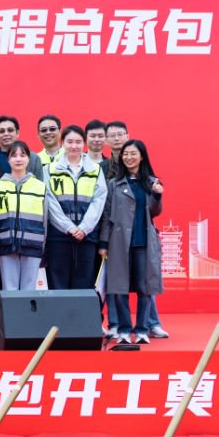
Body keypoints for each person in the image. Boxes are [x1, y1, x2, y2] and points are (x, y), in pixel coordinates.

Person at [101, 139, 165, 345]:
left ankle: (143, 329)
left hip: (144, 243)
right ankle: (124, 329)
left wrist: (157, 196)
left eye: (133, 154)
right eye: (125, 154)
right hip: (119, 243)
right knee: (119, 289)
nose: (129, 157)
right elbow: (106, 215)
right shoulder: (114, 184)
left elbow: (155, 212)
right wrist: (103, 243)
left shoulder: (151, 182)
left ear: (142, 156)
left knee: (145, 288)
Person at [45, 125, 109, 291]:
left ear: (84, 143)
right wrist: (68, 227)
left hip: (86, 238)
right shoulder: (50, 170)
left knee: (84, 286)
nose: (74, 146)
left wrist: (84, 228)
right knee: (58, 285)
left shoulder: (95, 170)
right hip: (58, 237)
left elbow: (99, 201)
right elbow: (50, 201)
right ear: (62, 143)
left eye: (78, 142)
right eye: (70, 141)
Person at [0, 141, 48, 292]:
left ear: (29, 159)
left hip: (33, 245)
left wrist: (42, 246)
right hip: (6, 244)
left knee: (29, 290)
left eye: (22, 155)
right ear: (8, 159)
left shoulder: (40, 187)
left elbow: (45, 220)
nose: (18, 159)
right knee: (9, 290)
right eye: (14, 155)